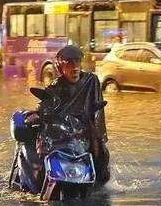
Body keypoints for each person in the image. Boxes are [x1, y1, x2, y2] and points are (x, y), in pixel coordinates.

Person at [20, 44, 110, 191]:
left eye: (77, 63)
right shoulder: (55, 87)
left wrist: (96, 131)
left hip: (83, 132)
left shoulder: (91, 81)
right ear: (61, 68)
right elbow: (44, 104)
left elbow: (97, 108)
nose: (74, 68)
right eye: (69, 64)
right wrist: (35, 114)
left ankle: (97, 184)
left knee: (102, 156)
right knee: (42, 157)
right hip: (61, 134)